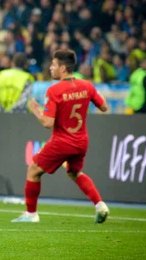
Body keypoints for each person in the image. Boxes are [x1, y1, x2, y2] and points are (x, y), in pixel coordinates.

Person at [12, 49, 110, 223]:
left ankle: (31, 214)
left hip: (62, 141)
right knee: (74, 172)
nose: (51, 68)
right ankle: (100, 205)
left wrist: (36, 111)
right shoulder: (87, 86)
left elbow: (47, 123)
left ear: (63, 68)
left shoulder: (55, 90)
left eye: (54, 65)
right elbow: (104, 107)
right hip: (81, 141)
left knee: (33, 171)